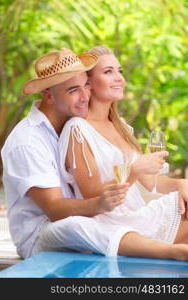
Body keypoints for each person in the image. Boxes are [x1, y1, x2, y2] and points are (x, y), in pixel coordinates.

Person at [58, 45, 188, 261]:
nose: (118, 78)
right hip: (115, 225)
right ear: (88, 84)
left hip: (138, 216)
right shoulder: (78, 129)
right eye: (108, 72)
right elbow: (91, 195)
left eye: (119, 71)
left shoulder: (123, 128)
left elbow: (152, 183)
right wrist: (134, 170)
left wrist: (180, 184)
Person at [1, 48, 129, 259]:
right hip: (40, 235)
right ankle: (173, 252)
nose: (86, 96)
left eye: (86, 85)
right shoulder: (27, 140)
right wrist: (98, 204)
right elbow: (54, 209)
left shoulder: (72, 127)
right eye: (73, 90)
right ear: (49, 96)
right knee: (76, 226)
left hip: (81, 220)